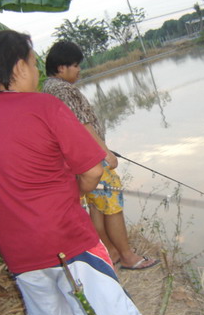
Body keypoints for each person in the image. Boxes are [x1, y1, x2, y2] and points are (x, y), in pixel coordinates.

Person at [0, 30, 143, 315]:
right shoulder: (45, 106)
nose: (35, 72)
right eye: (33, 64)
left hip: (20, 253)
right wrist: (72, 193)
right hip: (68, 241)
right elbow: (91, 171)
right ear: (19, 67)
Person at [43, 41, 159, 271]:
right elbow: (83, 124)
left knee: (96, 205)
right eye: (75, 65)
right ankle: (127, 256)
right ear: (60, 68)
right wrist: (104, 152)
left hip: (76, 159)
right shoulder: (64, 90)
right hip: (90, 158)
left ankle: (112, 252)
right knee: (112, 203)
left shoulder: (48, 89)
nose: (78, 70)